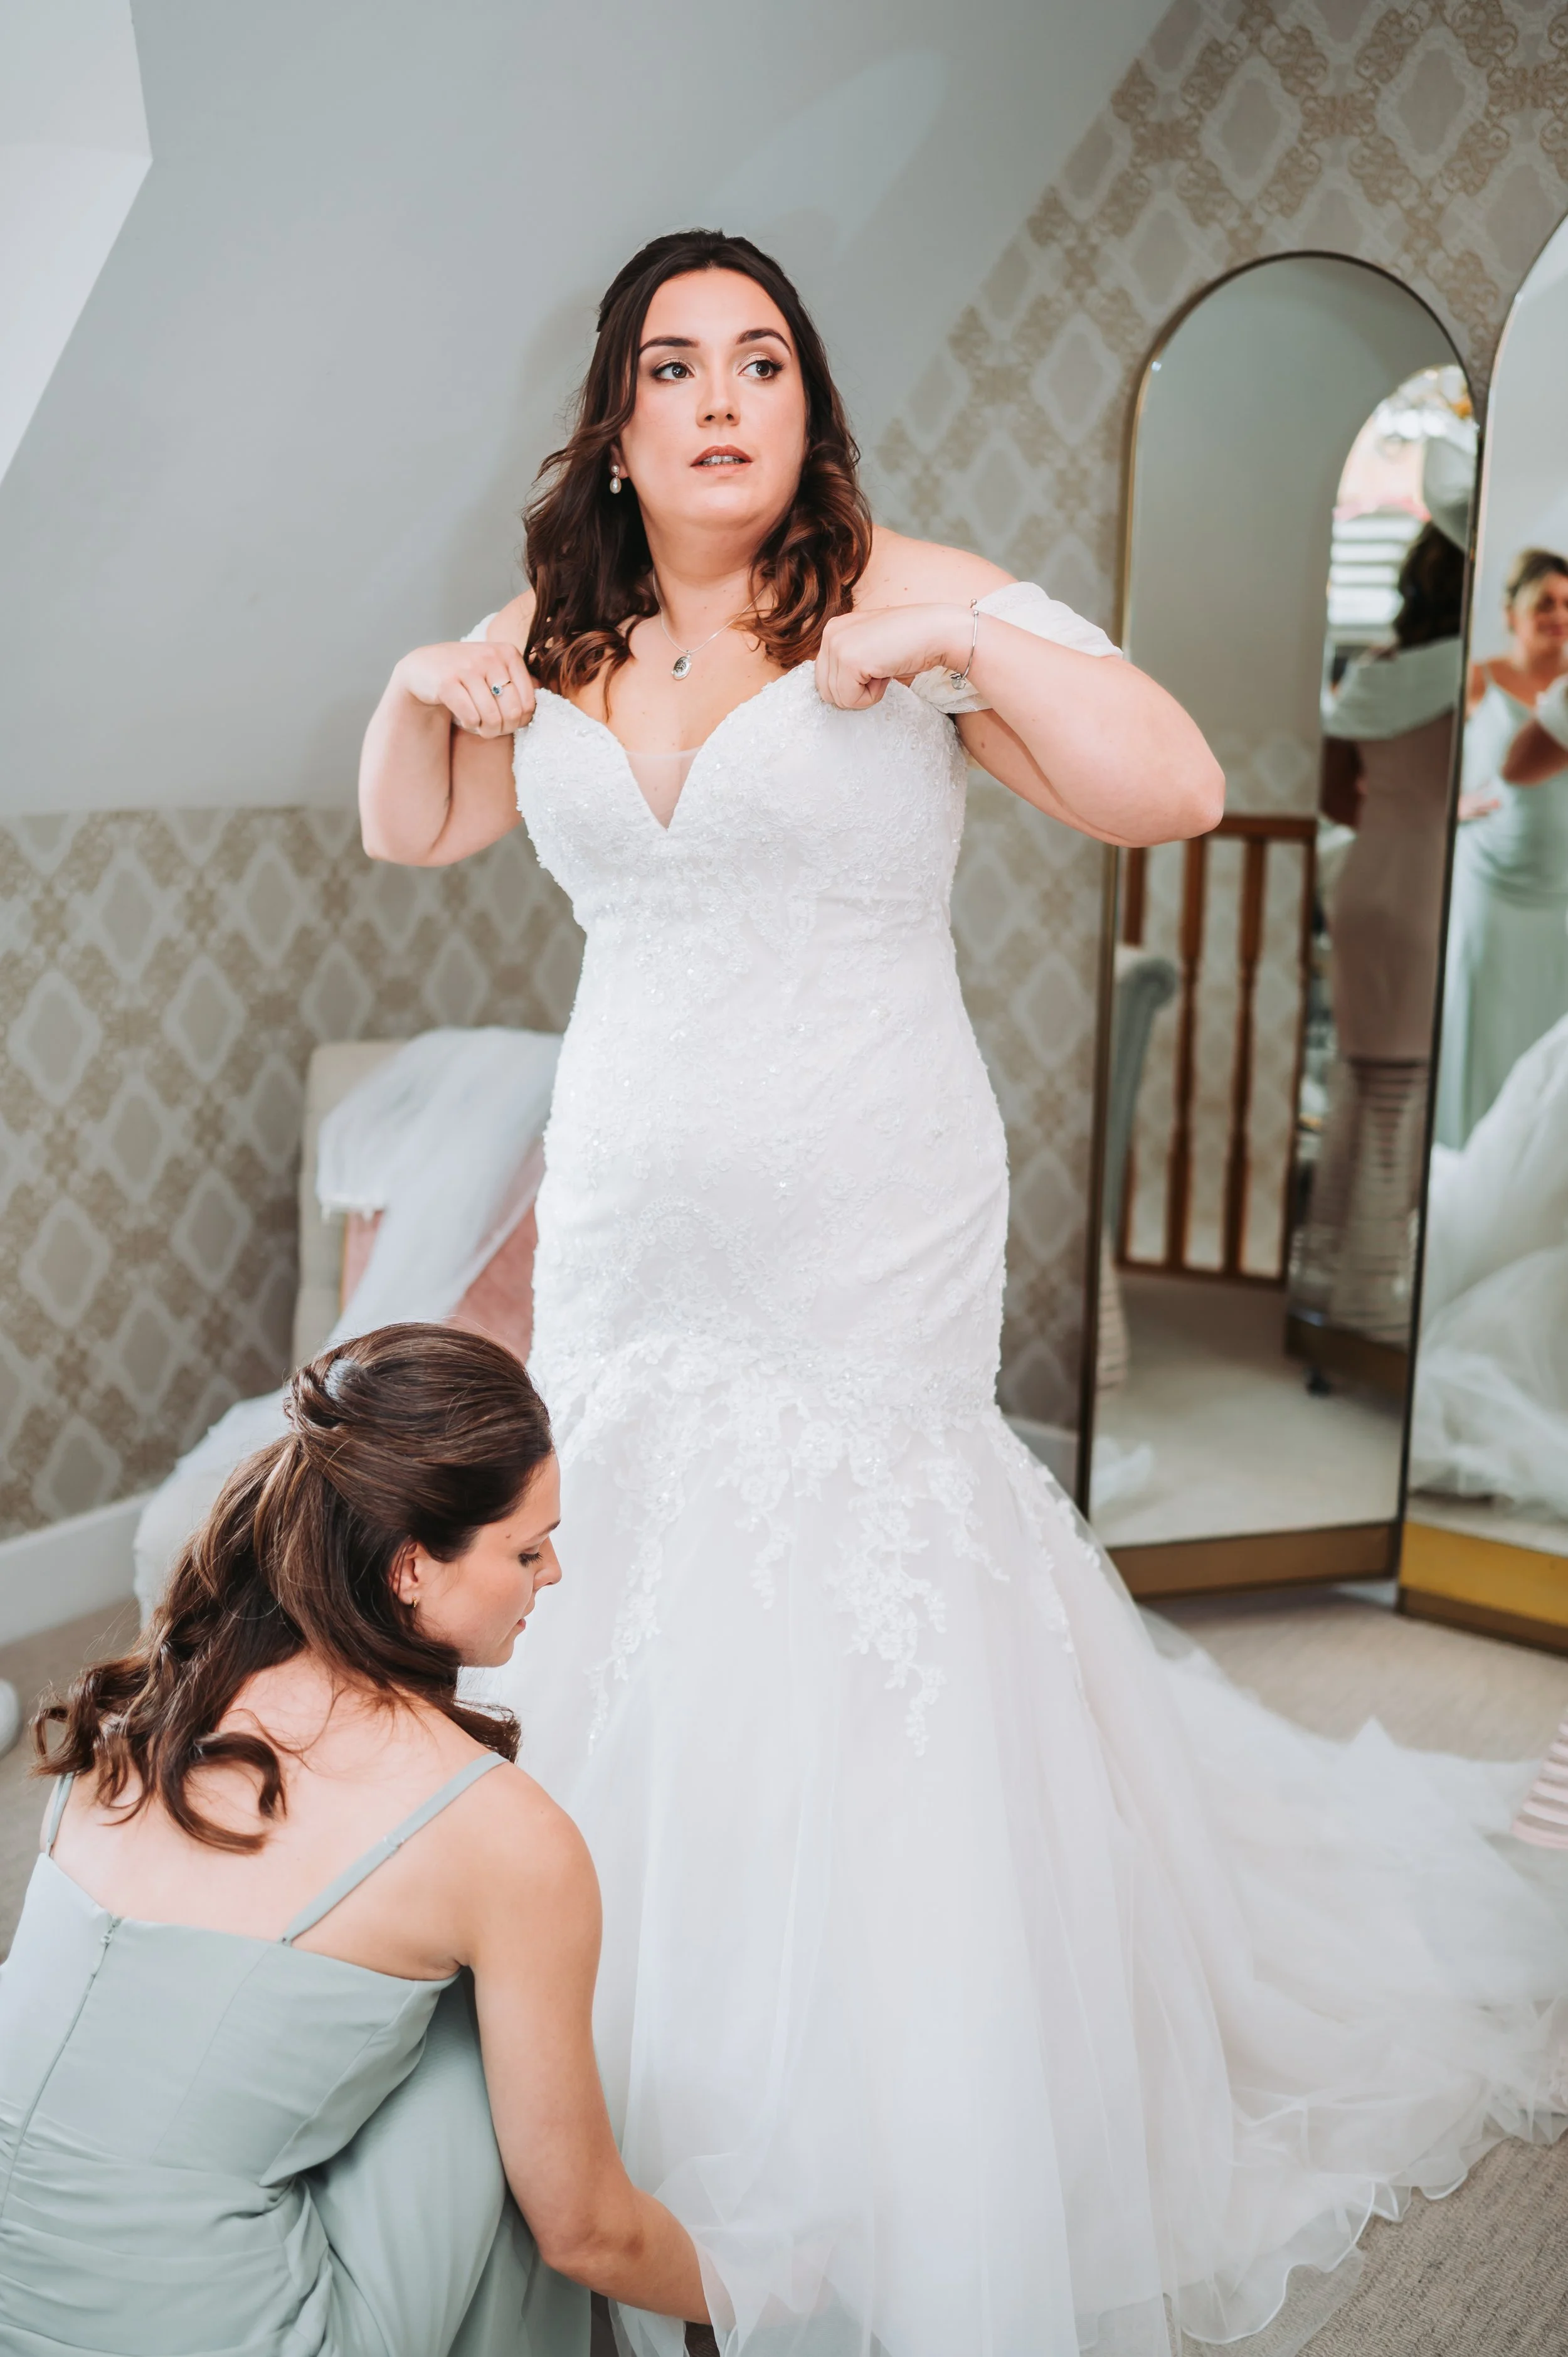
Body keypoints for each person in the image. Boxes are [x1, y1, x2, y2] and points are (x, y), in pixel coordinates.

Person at [359, 231, 1567, 2357]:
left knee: (867, 1574)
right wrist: (409, 691)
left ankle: (883, 2096)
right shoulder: (554, 624)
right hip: (636, 1203)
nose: (721, 399)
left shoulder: (905, 592)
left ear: (808, 403)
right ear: (617, 425)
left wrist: (954, 646)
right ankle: (617, 2042)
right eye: (674, 366)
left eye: (760, 361)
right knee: (630, 1560)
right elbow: (419, 830)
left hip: (867, 1194)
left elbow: (1169, 788)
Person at [0, 1324, 707, 2357]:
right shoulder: (498, 1833)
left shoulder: (148, 1698)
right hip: (220, 2335)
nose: (553, 1572)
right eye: (526, 1549)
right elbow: (588, 2232)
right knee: (479, 2026)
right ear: (411, 1566)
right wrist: (759, 2287)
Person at [1292, 523, 1465, 1344]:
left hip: (1366, 885)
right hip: (1430, 879)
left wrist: (1396, 811)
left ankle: (1334, 1274)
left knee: (1362, 1079)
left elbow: (1335, 796)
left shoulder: (1374, 670)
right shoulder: (1470, 673)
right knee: (1407, 1088)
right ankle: (1375, 1296)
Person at [1434, 546, 1568, 1146]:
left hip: (1561, 890)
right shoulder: (1477, 679)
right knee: (1485, 1027)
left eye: (1567, 604)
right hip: (1490, 884)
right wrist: (1453, 806)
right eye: (1545, 603)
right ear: (1512, 612)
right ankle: (1468, 1152)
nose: (1558, 615)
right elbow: (1421, 770)